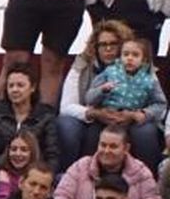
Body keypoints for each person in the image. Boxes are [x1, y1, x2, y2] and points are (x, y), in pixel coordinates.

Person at [57, 19, 159, 165]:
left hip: (133, 118)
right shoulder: (83, 63)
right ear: (95, 47)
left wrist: (138, 115)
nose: (108, 49)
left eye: (113, 44)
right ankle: (68, 176)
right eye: (103, 45)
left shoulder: (141, 64)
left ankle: (150, 182)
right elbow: (66, 107)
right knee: (67, 125)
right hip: (94, 117)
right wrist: (94, 113)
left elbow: (158, 105)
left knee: (145, 132)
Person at [55, 125, 162, 199]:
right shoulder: (80, 166)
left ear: (126, 148)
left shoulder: (141, 171)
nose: (106, 151)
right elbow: (61, 198)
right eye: (103, 145)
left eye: (113, 146)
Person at [0, 64, 60, 166]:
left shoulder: (46, 116)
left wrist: (45, 177)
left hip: (33, 174)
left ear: (32, 87)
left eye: (20, 85)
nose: (14, 90)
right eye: (10, 86)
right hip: (0, 171)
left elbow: (52, 155)